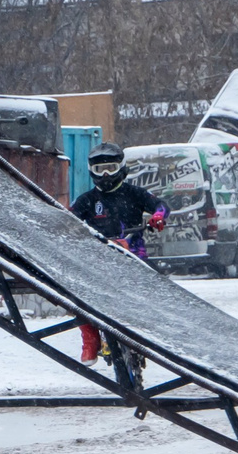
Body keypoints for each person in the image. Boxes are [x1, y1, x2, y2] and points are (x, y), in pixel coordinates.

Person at [70, 141, 166, 363]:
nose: (105, 174)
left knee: (157, 288)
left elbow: (161, 205)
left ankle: (150, 331)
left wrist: (158, 216)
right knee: (77, 293)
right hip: (98, 260)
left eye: (111, 168)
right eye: (99, 169)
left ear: (122, 168)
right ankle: (90, 339)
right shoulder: (87, 200)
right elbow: (68, 221)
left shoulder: (134, 194)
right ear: (91, 171)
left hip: (134, 256)